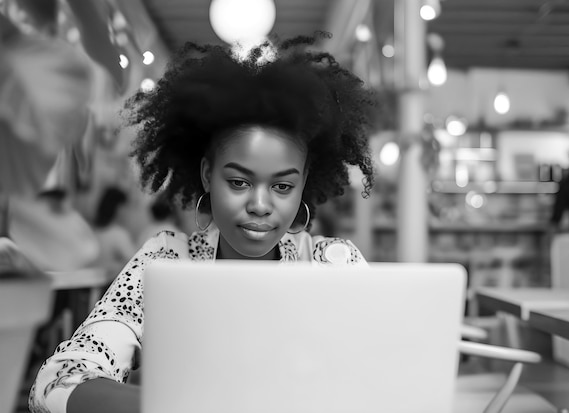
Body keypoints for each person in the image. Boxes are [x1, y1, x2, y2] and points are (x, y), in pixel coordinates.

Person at [29, 33, 375, 413]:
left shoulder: (334, 265)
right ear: (209, 175)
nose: (260, 205)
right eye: (239, 182)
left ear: (304, 184)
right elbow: (54, 384)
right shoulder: (164, 262)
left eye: (282, 185)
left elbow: (383, 376)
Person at [92, 186, 136, 278]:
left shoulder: (94, 231)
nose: (127, 212)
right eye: (126, 207)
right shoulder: (118, 234)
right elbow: (135, 263)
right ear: (118, 208)